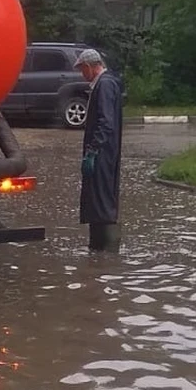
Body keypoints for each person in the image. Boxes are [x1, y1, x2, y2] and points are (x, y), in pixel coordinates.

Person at [73, 48, 124, 252]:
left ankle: (106, 252)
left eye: (82, 70)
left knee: (102, 201)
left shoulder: (104, 85)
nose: (82, 75)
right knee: (98, 201)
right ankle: (98, 253)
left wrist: (93, 151)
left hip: (102, 154)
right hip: (105, 153)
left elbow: (106, 122)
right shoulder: (106, 84)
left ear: (89, 66)